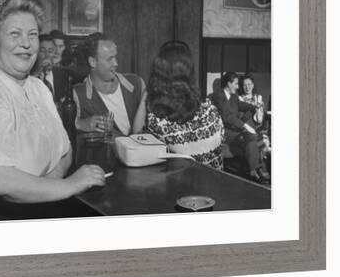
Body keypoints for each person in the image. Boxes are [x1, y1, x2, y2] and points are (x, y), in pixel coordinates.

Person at [0, 0, 106, 221]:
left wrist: (47, 186)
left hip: (31, 205)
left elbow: (65, 151)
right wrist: (68, 186)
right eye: (14, 34)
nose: (26, 43)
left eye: (32, 35)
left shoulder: (38, 87)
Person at [132, 41, 224, 169]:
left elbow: (135, 138)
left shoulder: (158, 122)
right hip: (218, 185)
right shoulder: (210, 110)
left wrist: (148, 90)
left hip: (184, 187)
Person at [73, 32, 145, 137]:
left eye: (115, 57)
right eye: (109, 59)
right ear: (92, 62)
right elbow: (63, 129)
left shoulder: (137, 83)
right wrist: (80, 124)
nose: (116, 63)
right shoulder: (78, 94)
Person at [212, 71, 268, 183]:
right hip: (225, 132)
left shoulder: (233, 96)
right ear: (229, 84)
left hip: (235, 130)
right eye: (236, 84)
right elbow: (227, 117)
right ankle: (257, 170)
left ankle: (253, 172)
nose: (238, 87)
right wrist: (245, 126)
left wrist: (254, 107)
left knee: (251, 137)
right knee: (250, 133)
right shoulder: (219, 96)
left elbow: (241, 104)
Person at [31, 34, 70, 105]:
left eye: (50, 51)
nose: (47, 55)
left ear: (54, 53)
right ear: (36, 53)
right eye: (42, 51)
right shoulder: (29, 75)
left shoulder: (62, 74)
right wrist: (37, 72)